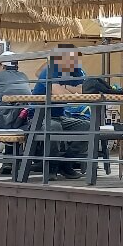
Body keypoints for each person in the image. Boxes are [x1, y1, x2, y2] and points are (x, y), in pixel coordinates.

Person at [32, 47, 92, 180]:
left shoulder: (76, 70)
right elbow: (59, 94)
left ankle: (65, 163)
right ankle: (51, 167)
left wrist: (65, 87)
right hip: (38, 117)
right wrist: (71, 90)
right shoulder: (50, 70)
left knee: (88, 126)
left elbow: (85, 90)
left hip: (59, 116)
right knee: (54, 127)